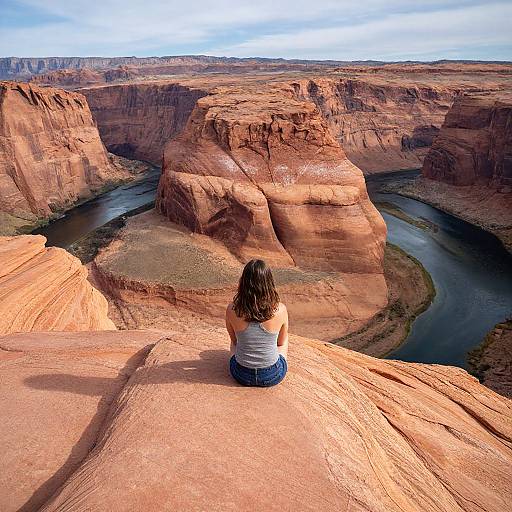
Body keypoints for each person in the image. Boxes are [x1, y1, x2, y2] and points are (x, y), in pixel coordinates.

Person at [226, 259, 288, 387]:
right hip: (272, 375)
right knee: (286, 339)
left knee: (234, 343)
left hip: (241, 375)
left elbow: (235, 341)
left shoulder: (232, 309)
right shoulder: (280, 309)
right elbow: (280, 343)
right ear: (269, 282)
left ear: (243, 282)